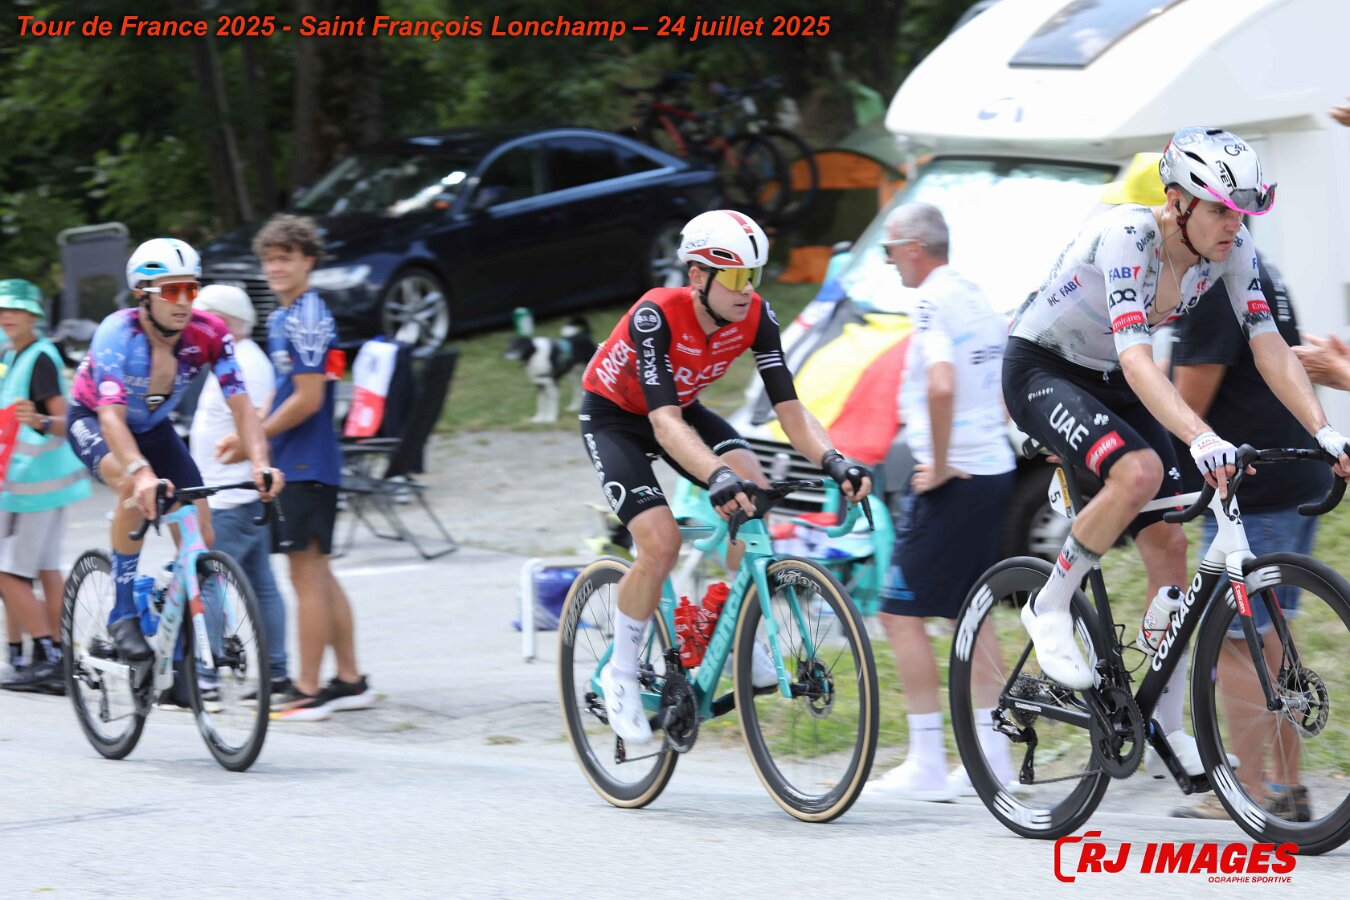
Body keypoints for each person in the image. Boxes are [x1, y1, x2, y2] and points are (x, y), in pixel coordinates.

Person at [1001, 127, 1350, 778]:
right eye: (1219, 209)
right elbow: (1138, 358)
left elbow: (1269, 346)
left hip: (1110, 377)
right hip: (1043, 366)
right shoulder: (1129, 236)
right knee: (1138, 473)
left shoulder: (1232, 247)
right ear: (1176, 201)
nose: (1233, 224)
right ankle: (1048, 605)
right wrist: (1201, 435)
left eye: (1241, 210)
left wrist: (1323, 431)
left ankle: (1161, 722)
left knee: (1170, 539)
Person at [578, 208, 873, 745]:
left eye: (753, 275)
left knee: (753, 494)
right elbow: (663, 424)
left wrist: (835, 460)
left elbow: (790, 410)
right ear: (697, 276)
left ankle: (740, 635)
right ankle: (621, 674)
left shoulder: (756, 316)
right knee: (661, 544)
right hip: (616, 419)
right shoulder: (656, 315)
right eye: (735, 276)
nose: (747, 289)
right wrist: (715, 474)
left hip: (682, 410)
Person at [66, 238, 281, 665]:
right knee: (133, 487)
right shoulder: (117, 333)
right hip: (94, 420)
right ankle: (122, 612)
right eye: (171, 290)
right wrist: (142, 472)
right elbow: (111, 418)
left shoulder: (210, 333)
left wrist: (260, 463)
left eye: (190, 289)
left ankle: (178, 620)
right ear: (143, 294)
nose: (183, 300)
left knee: (202, 528)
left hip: (153, 427)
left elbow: (242, 407)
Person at [1169, 253, 1329, 819]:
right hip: (1294, 474)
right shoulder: (1262, 269)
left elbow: (1187, 402)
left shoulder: (1210, 287)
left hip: (1251, 487)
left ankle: (1248, 792)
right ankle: (1287, 787)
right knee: (1271, 636)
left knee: (1238, 642)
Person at [866, 204, 1017, 801]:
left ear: (914, 247)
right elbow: (1005, 368)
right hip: (994, 470)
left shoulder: (930, 299)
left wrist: (946, 457)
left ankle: (926, 760)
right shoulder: (972, 294)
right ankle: (994, 757)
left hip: (955, 478)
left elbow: (942, 382)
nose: (889, 263)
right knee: (967, 613)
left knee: (899, 614)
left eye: (889, 251)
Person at [219, 214, 374, 722]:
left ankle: (307, 688)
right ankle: (349, 679)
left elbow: (309, 399)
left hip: (306, 464)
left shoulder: (306, 316)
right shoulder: (288, 316)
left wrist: (256, 438)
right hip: (302, 462)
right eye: (269, 259)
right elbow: (287, 392)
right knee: (319, 572)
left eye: (285, 258)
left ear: (308, 260)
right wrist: (251, 431)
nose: (275, 267)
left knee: (305, 576)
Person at [188, 284, 292, 700]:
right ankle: (276, 671)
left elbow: (253, 426)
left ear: (223, 321)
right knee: (260, 582)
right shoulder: (238, 358)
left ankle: (207, 676)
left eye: (202, 317)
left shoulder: (244, 362)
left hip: (228, 496)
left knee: (208, 579)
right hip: (233, 493)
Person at [0, 279, 90, 692]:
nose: (8, 316)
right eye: (3, 309)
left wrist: (37, 421)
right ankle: (49, 655)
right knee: (44, 569)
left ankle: (47, 658)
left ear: (33, 315)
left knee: (7, 573)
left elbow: (66, 420)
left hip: (36, 487)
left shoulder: (38, 358)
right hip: (30, 484)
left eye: (16, 309)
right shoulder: (11, 354)